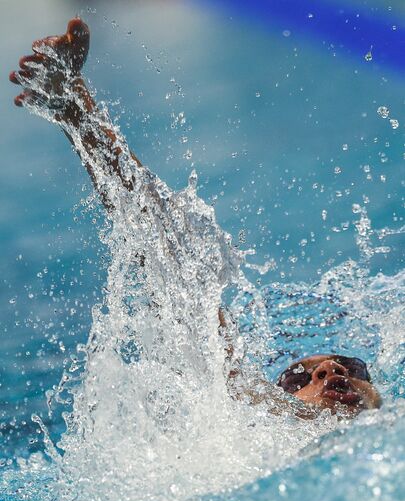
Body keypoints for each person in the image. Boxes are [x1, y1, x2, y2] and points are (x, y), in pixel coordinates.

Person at [9, 18, 381, 419]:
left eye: (352, 365)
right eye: (297, 379)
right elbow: (167, 261)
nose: (331, 370)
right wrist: (80, 115)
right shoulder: (266, 424)